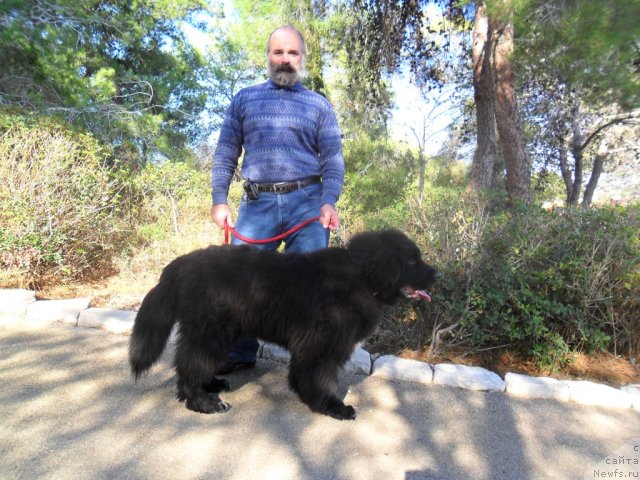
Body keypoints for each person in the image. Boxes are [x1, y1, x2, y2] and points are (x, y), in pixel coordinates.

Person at [210, 25, 345, 374]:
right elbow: (226, 152)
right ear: (268, 57)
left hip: (308, 206)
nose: (285, 60)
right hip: (258, 206)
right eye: (278, 53)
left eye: (292, 53)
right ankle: (239, 353)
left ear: (303, 58)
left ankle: (310, 363)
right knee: (240, 284)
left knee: (312, 290)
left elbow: (332, 159)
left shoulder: (319, 105)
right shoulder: (244, 99)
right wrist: (219, 200)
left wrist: (329, 201)